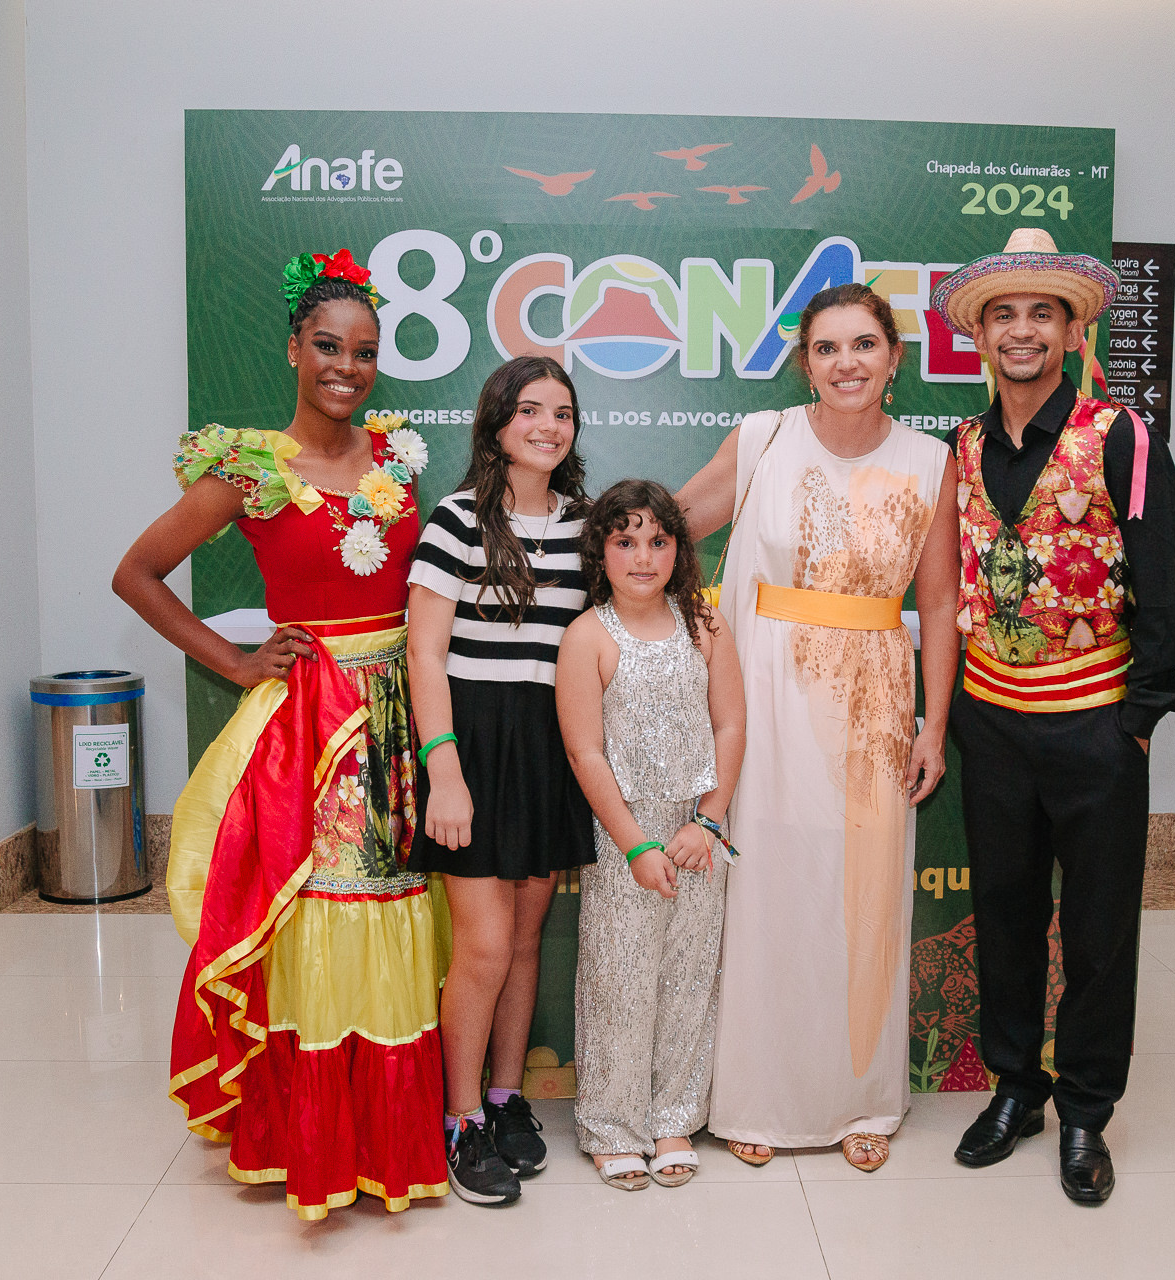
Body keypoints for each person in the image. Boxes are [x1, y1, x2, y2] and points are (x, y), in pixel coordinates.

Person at [114, 248, 443, 1219]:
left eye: (365, 352)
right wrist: (231, 658)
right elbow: (137, 572)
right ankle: (312, 1136)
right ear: (295, 349)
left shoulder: (397, 456)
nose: (347, 366)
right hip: (308, 721)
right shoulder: (250, 468)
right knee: (317, 911)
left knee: (396, 901)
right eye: (329, 346)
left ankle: (387, 1133)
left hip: (399, 714)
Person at [930, 228, 1175, 1205]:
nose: (1023, 330)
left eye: (1043, 312)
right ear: (981, 335)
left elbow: (1163, 580)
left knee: (1097, 930)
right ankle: (1016, 1088)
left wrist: (1139, 717)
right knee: (1004, 916)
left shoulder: (1120, 437)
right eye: (1005, 314)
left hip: (1096, 727)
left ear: (1074, 330)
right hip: (993, 723)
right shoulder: (959, 446)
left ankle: (1085, 1108)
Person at [678, 282, 960, 1172]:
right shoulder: (763, 439)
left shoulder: (931, 461)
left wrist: (933, 727)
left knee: (861, 900)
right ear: (806, 363)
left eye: (864, 345)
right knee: (767, 892)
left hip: (875, 706)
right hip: (761, 697)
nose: (847, 363)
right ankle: (755, 1096)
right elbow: (663, 533)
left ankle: (859, 1100)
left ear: (893, 357)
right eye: (828, 348)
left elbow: (939, 604)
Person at [406, 355, 597, 1205]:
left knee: (524, 940)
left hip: (549, 744)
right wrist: (444, 770)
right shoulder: (455, 521)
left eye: (562, 412)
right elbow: (424, 653)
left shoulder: (585, 525)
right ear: (495, 423)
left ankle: (505, 1097)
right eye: (530, 410)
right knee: (483, 947)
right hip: (473, 745)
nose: (548, 426)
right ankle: (459, 1120)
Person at [556, 480, 747, 1191]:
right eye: (625, 541)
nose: (643, 557)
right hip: (623, 837)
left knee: (689, 975)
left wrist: (708, 820)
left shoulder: (704, 624)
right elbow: (586, 753)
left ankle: (673, 1116)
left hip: (697, 835)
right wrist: (635, 844)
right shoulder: (588, 636)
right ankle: (613, 1125)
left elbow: (731, 723)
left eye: (658, 541)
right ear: (600, 551)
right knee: (621, 979)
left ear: (678, 549)